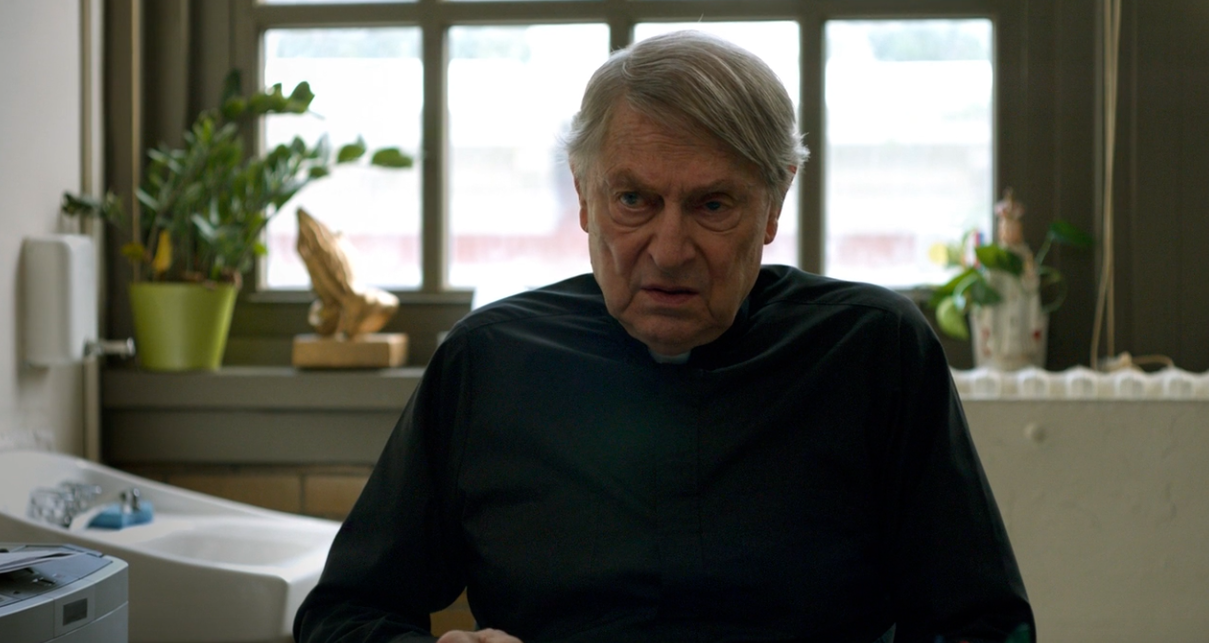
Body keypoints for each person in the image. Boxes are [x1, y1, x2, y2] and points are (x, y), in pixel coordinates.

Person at [294, 30, 1034, 643]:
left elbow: (986, 625)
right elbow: (342, 615)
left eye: (713, 205)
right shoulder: (489, 362)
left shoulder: (872, 350)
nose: (670, 249)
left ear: (774, 204)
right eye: (633, 200)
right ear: (584, 197)